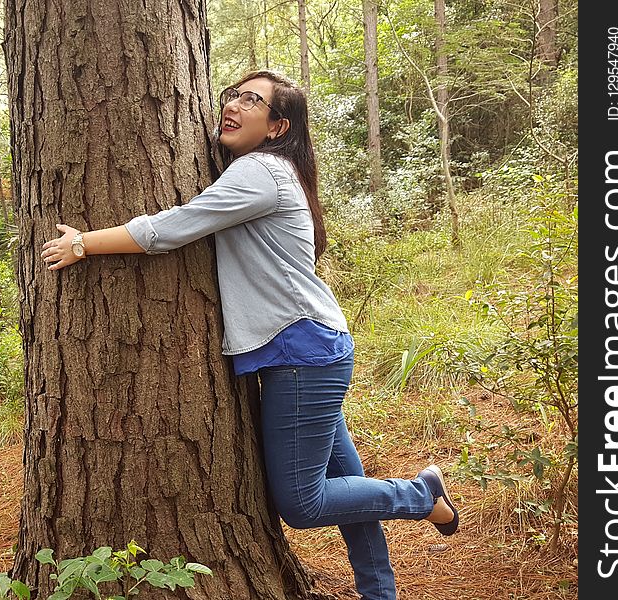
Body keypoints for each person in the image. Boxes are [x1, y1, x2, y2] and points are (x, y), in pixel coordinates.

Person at [40, 69, 459, 600]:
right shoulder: (271, 172)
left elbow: (176, 225)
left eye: (251, 100)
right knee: (348, 488)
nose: (233, 105)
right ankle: (380, 591)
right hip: (308, 347)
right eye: (233, 95)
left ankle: (422, 495)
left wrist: (85, 244)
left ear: (278, 127)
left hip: (301, 353)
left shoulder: (261, 172)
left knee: (303, 503)